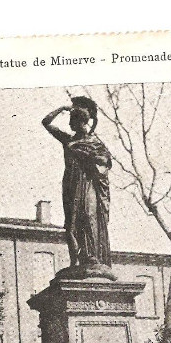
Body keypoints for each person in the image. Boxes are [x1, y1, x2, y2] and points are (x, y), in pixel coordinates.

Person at [42, 96, 112, 268]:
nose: (69, 125)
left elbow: (105, 163)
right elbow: (46, 122)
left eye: (72, 120)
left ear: (81, 122)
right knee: (72, 223)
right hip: (71, 185)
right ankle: (76, 259)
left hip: (88, 184)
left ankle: (92, 256)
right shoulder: (68, 140)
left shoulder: (95, 143)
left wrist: (91, 158)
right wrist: (61, 108)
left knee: (89, 217)